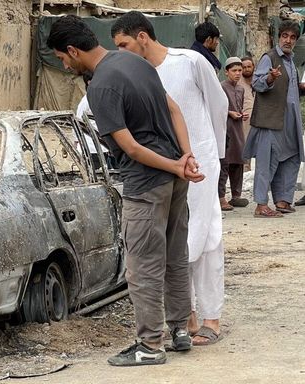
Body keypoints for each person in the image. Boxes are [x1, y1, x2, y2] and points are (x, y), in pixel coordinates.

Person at [47, 15, 204, 366]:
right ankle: (180, 330)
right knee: (174, 256)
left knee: (142, 267)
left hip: (148, 184)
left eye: (61, 58)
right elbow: (174, 109)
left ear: (72, 50)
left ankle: (150, 345)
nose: (64, 64)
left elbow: (130, 148)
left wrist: (176, 164)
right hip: (175, 178)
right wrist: (185, 156)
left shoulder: (101, 86)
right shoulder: (135, 61)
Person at [110, 11, 228, 347]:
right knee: (172, 244)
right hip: (162, 170)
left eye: (124, 44)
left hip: (200, 162)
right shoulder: (130, 74)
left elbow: (218, 106)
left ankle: (211, 318)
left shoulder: (189, 61)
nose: (120, 52)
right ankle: (183, 318)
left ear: (142, 37)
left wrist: (212, 156)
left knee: (207, 239)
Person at [244, 20, 305, 215]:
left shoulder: (290, 61)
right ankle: (261, 205)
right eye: (285, 36)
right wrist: (270, 78)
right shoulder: (269, 58)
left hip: (290, 121)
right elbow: (257, 83)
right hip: (271, 120)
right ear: (278, 37)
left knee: (292, 157)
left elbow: (290, 91)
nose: (288, 40)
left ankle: (282, 200)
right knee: (267, 161)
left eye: (292, 37)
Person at [220, 57, 249, 211]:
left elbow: (239, 106)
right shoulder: (221, 87)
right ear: (226, 72)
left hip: (237, 127)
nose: (238, 73)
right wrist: (229, 112)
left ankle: (236, 196)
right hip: (225, 128)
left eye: (240, 70)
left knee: (238, 161)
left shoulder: (241, 89)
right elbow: (216, 108)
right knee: (225, 162)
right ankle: (221, 197)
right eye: (234, 71)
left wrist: (241, 114)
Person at [239, 57, 256, 140]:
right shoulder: (237, 85)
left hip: (259, 122)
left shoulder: (259, 82)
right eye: (244, 67)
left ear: (253, 67)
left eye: (249, 67)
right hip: (244, 123)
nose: (247, 69)